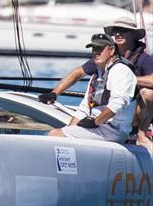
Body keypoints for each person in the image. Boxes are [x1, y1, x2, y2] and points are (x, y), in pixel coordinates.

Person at [39, 17, 152, 150]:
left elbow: (117, 104)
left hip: (119, 122)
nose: (118, 34)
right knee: (61, 134)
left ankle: (141, 134)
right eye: (115, 31)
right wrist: (54, 93)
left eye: (123, 31)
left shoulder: (137, 62)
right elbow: (77, 77)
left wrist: (127, 81)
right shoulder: (100, 66)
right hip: (105, 121)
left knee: (148, 93)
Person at [47, 33, 137, 143]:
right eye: (94, 48)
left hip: (114, 131)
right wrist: (69, 130)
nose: (96, 52)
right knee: (60, 133)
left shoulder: (120, 71)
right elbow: (84, 108)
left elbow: (115, 106)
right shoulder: (96, 75)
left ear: (112, 50)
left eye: (100, 48)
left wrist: (95, 122)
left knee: (54, 135)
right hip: (97, 128)